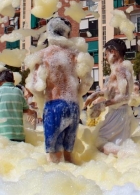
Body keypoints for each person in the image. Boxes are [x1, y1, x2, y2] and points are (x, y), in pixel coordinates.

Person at [26, 17, 93, 163]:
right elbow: (87, 82)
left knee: (53, 156)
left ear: (50, 33)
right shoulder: (76, 55)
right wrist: (77, 93)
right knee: (69, 155)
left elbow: (35, 85)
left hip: (54, 106)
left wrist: (40, 99)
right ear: (66, 33)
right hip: (73, 106)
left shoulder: (44, 55)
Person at [84, 38, 134, 155]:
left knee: (98, 141)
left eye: (106, 54)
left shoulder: (120, 69)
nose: (105, 57)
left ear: (113, 52)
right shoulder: (119, 69)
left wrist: (102, 105)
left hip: (118, 114)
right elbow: (112, 91)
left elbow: (125, 96)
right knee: (110, 146)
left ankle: (130, 155)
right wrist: (96, 94)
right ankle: (129, 157)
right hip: (119, 113)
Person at [0, 69, 36, 142]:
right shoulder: (19, 91)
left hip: (4, 137)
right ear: (13, 82)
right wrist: (33, 112)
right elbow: (26, 109)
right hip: (19, 136)